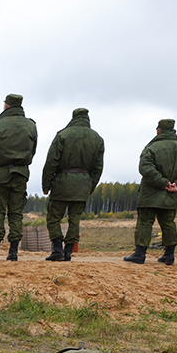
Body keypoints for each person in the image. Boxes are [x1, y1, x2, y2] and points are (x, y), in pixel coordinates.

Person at [124, 119, 177, 265]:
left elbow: (145, 168)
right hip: (172, 194)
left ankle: (139, 254)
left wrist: (163, 183)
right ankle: (169, 256)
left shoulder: (152, 148)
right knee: (168, 223)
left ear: (158, 131)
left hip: (150, 193)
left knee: (145, 222)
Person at [0, 94, 37, 262]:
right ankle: (13, 253)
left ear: (6, 106)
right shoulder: (31, 126)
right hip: (20, 174)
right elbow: (33, 149)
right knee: (16, 213)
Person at [40, 108, 104, 262]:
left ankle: (57, 249)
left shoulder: (62, 135)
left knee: (54, 217)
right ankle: (68, 251)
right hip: (83, 184)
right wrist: (90, 187)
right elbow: (98, 168)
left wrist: (46, 184)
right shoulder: (97, 139)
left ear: (73, 117)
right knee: (75, 219)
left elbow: (51, 162)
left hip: (63, 181)